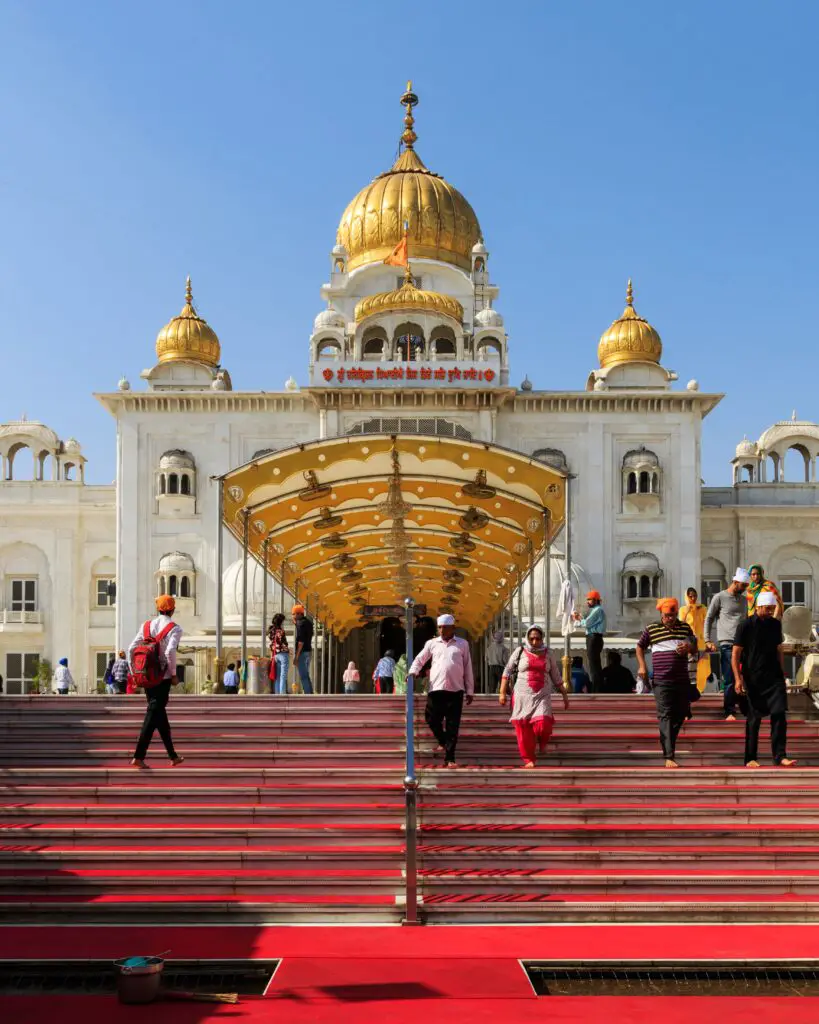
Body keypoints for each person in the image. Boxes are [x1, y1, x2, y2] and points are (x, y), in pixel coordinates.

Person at [733, 590, 796, 768]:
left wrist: (782, 673)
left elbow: (779, 649)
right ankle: (750, 758)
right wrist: (738, 679)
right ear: (758, 607)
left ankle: (780, 756)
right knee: (754, 718)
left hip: (774, 677)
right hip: (753, 678)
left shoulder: (775, 625)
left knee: (779, 715)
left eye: (772, 609)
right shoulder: (745, 625)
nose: (770, 612)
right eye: (767, 609)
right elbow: (735, 654)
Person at [636, 598, 697, 768]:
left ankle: (667, 739)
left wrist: (688, 648)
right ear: (661, 614)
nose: (670, 618)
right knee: (665, 715)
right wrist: (642, 666)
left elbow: (694, 645)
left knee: (680, 714)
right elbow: (639, 646)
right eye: (667, 615)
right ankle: (669, 755)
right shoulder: (652, 628)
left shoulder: (684, 627)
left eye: (673, 615)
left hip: (682, 679)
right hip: (662, 680)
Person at [409, 613, 475, 769]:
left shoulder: (462, 644)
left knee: (453, 725)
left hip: (456, 689)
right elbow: (420, 659)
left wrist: (470, 690)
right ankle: (443, 741)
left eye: (445, 627)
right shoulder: (432, 643)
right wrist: (413, 671)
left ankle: (450, 758)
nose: (442, 630)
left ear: (453, 628)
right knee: (431, 718)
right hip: (436, 688)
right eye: (439, 627)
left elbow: (468, 667)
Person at [499, 624, 568, 768]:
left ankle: (542, 741)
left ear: (542, 638)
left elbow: (555, 675)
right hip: (522, 695)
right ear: (527, 639)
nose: (535, 642)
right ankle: (528, 759)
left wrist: (564, 695)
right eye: (532, 639)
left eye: (537, 638)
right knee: (523, 730)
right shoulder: (520, 651)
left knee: (543, 724)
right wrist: (502, 693)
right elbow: (507, 671)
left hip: (542, 694)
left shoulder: (548, 653)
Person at [128, 594, 184, 768]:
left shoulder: (146, 626)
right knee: (153, 715)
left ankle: (173, 755)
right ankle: (138, 756)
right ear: (172, 610)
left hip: (146, 677)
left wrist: (135, 673)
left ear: (157, 609)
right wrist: (173, 674)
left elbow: (131, 648)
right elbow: (169, 653)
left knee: (159, 715)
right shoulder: (174, 628)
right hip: (163, 678)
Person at [704, 568, 751, 720]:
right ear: (735, 582)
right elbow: (709, 618)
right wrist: (707, 640)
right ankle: (729, 711)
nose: (744, 589)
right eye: (743, 585)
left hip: (744, 644)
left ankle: (745, 708)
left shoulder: (744, 600)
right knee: (730, 677)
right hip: (728, 643)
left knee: (746, 676)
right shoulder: (720, 597)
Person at [572, 590, 606, 691]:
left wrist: (577, 621)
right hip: (594, 637)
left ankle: (597, 689)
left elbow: (587, 623)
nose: (587, 602)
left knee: (594, 665)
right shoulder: (596, 610)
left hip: (594, 638)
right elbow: (589, 622)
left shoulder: (598, 610)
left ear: (595, 600)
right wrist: (579, 619)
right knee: (594, 664)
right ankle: (597, 688)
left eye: (589, 600)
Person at [679, 588, 710, 693]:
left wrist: (699, 611)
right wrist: (688, 611)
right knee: (690, 665)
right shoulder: (683, 609)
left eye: (695, 596)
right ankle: (690, 689)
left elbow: (707, 621)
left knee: (703, 665)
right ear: (686, 597)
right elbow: (680, 623)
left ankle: (700, 688)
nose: (693, 598)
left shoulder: (702, 608)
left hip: (700, 641)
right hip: (689, 642)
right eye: (690, 596)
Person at [292, 604, 314, 695]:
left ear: (298, 614)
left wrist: (296, 656)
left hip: (302, 652)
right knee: (306, 674)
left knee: (303, 676)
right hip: (309, 651)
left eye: (293, 614)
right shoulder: (308, 622)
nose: (293, 616)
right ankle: (310, 693)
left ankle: (308, 695)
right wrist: (296, 623)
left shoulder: (300, 624)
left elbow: (301, 641)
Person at [268, 613, 290, 695]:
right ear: (281, 622)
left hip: (276, 655)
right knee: (283, 676)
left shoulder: (271, 631)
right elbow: (283, 643)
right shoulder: (281, 631)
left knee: (277, 677)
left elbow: (273, 643)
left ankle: (277, 694)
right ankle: (282, 694)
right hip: (283, 654)